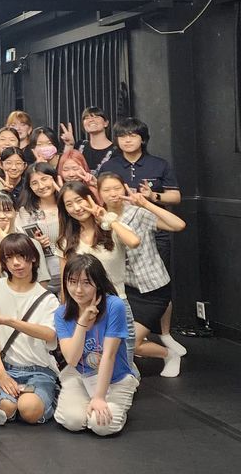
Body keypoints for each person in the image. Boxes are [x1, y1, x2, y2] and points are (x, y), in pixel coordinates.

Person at [98, 117, 184, 357]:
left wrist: (150, 199)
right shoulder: (110, 166)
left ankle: (164, 334)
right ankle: (140, 336)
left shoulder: (159, 164)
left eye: (133, 135)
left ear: (143, 139)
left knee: (155, 277)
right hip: (120, 229)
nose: (127, 139)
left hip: (151, 225)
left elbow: (175, 198)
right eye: (123, 136)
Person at [100, 176, 187, 376]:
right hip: (125, 290)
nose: (113, 193)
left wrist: (146, 203)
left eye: (116, 188)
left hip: (154, 288)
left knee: (134, 343)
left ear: (124, 188)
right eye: (106, 190)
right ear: (99, 193)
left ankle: (169, 355)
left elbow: (179, 225)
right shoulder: (100, 218)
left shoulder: (137, 213)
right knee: (118, 339)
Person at [57, 179, 141, 371]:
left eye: (80, 200)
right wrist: (66, 313)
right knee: (92, 364)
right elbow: (65, 283)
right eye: (69, 204)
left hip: (115, 304)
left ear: (91, 198)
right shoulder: (66, 240)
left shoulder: (111, 226)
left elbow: (134, 241)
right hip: (82, 310)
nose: (76, 208)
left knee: (123, 363)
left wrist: (107, 219)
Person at [0, 233, 59, 425]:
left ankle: (49, 397)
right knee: (7, 407)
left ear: (33, 258)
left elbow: (49, 334)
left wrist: (8, 321)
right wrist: (1, 373)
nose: (16, 263)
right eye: (9, 258)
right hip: (7, 368)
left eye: (22, 256)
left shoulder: (47, 298)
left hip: (40, 369)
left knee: (29, 409)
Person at [54, 254, 139, 436]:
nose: (78, 289)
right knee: (73, 421)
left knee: (101, 426)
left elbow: (109, 355)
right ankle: (83, 403)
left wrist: (99, 397)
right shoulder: (61, 313)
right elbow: (72, 358)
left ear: (98, 284)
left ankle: (117, 404)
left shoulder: (114, 306)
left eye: (86, 283)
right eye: (73, 281)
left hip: (116, 378)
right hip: (80, 375)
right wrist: (82, 323)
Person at [0, 192, 52, 287]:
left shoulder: (31, 242)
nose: (2, 216)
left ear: (16, 212)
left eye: (7, 210)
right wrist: (2, 242)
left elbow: (42, 281)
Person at [16, 162, 62, 295]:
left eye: (44, 179)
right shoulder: (25, 212)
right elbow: (19, 243)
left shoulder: (67, 206)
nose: (41, 186)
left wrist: (64, 194)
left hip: (69, 269)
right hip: (40, 273)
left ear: (54, 178)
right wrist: (34, 244)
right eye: (34, 183)